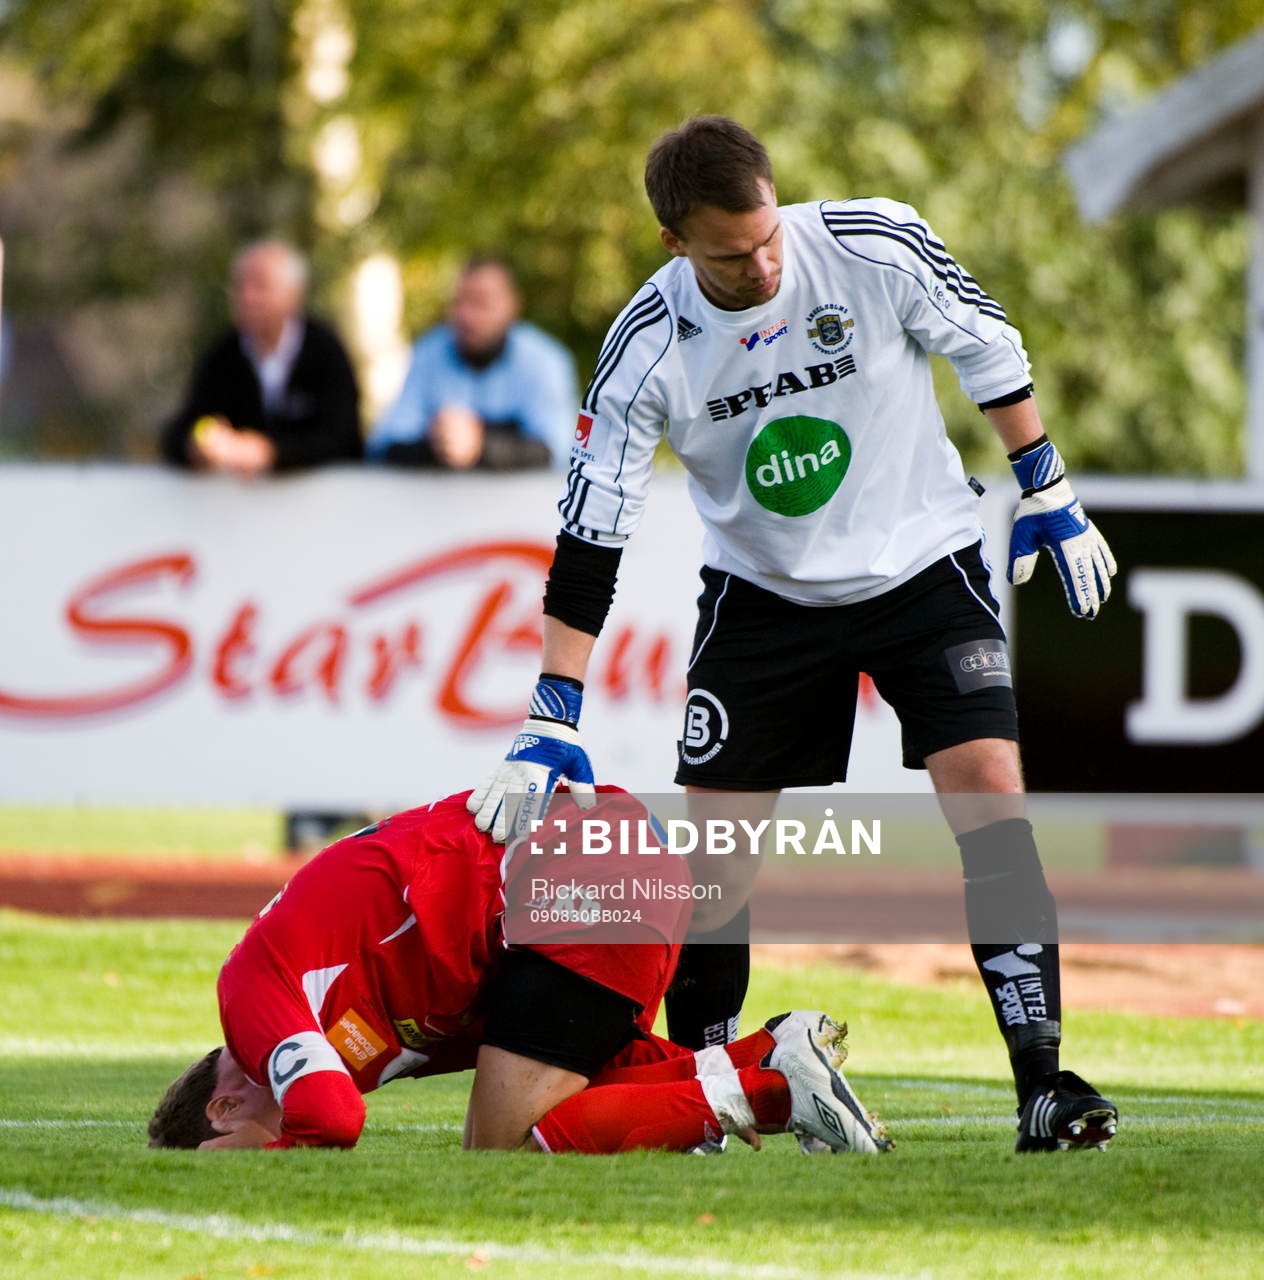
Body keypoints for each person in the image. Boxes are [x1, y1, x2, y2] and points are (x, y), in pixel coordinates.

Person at [468, 116, 1120, 1154]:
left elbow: (987, 345)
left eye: (769, 235)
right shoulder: (646, 344)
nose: (764, 264)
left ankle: (1043, 1085)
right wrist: (553, 707)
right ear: (676, 242)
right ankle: (703, 1097)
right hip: (763, 596)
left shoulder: (871, 241)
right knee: (715, 870)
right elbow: (592, 534)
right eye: (732, 254)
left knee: (992, 797)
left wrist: (1046, 484)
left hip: (924, 564)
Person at [148, 786, 891, 1156]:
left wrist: (267, 1157)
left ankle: (773, 1095)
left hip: (577, 874)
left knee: (501, 1151)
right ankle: (771, 1057)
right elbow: (547, 1047)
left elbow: (331, 1121)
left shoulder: (249, 996)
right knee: (528, 1111)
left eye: (231, 1161)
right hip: (590, 879)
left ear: (224, 1110)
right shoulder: (340, 1035)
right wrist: (709, 1067)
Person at [160, 240, 362, 475]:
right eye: (240, 286)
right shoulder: (223, 355)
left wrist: (269, 451)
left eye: (261, 286)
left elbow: (341, 437)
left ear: (293, 294)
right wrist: (199, 445)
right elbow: (181, 429)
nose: (248, 297)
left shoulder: (325, 352)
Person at [368, 256, 577, 471]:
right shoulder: (427, 354)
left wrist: (482, 446)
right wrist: (437, 443)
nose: (466, 316)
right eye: (459, 302)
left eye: (481, 303)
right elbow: (386, 443)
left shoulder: (545, 361)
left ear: (512, 305)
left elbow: (557, 450)